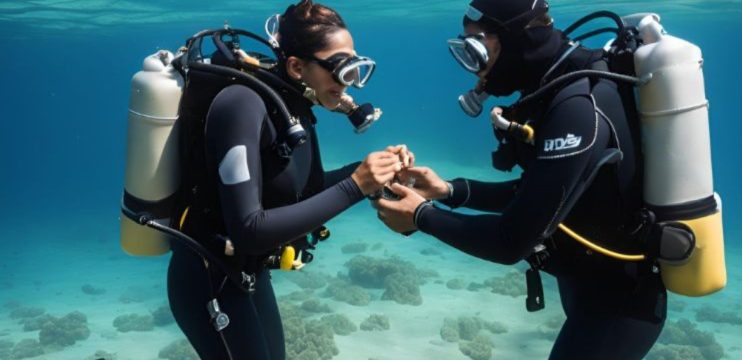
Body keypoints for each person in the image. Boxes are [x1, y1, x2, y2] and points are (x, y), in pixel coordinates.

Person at [374, 0, 667, 358]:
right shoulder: (557, 87)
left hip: (620, 301)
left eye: (476, 50)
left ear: (515, 41)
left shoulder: (576, 106)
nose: (473, 69)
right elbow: (543, 190)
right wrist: (450, 191)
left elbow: (510, 242)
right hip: (591, 285)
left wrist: (422, 216)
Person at [167, 1, 412, 358]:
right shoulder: (242, 105)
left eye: (356, 65)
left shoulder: (292, 108)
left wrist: (372, 175)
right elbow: (248, 229)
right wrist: (357, 184)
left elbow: (304, 194)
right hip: (208, 276)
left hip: (247, 273)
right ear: (297, 66)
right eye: (342, 69)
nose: (353, 82)